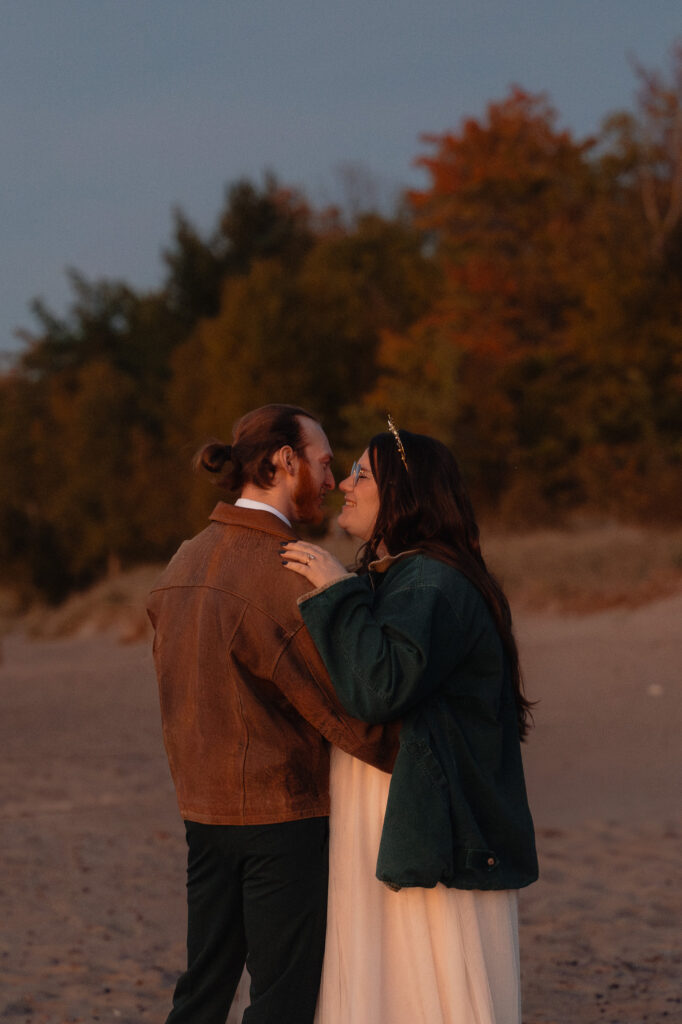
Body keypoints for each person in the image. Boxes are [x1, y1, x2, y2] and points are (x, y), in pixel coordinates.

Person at [147, 404, 398, 1024]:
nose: (331, 474)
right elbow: (341, 709)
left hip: (202, 810)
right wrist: (404, 749)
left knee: (202, 988)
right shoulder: (285, 569)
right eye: (321, 459)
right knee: (282, 997)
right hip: (278, 815)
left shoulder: (182, 560)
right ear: (285, 460)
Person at [281, 423, 538, 1024]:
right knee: (395, 968)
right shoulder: (417, 573)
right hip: (403, 797)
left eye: (361, 475)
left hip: (417, 804)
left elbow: (381, 687)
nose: (344, 484)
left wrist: (337, 593)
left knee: (420, 968)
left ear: (405, 493)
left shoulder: (431, 581)